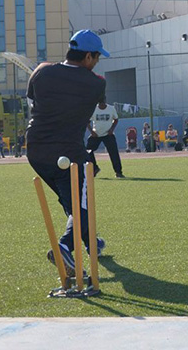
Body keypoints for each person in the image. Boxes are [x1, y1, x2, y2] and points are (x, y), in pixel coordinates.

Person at [26, 29, 109, 276]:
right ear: (87, 57)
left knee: (72, 201)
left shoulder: (41, 71)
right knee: (81, 205)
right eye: (96, 58)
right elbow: (97, 103)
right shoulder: (96, 83)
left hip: (36, 151)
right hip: (70, 153)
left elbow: (34, 100)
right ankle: (64, 246)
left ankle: (90, 241)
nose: (96, 63)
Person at [86, 98, 124, 178]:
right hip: (96, 134)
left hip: (108, 134)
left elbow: (116, 119)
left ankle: (118, 172)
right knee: (88, 151)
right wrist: (92, 132)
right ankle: (94, 169)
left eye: (102, 103)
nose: (101, 105)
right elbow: (87, 121)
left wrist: (111, 129)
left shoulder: (111, 109)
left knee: (114, 153)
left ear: (105, 102)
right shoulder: (93, 109)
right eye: (99, 103)